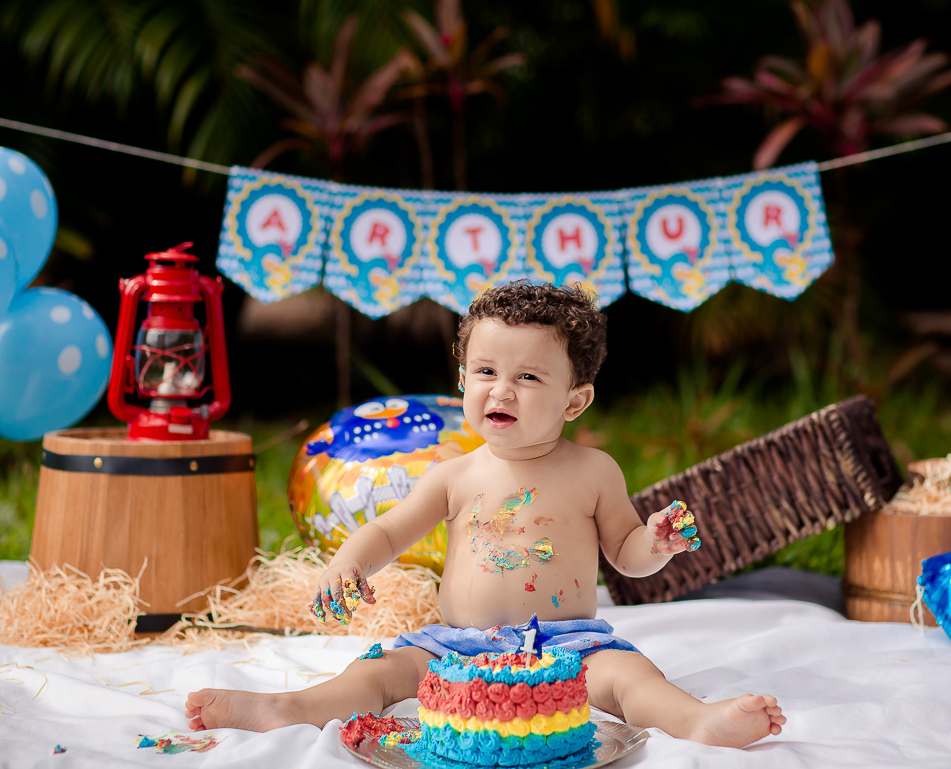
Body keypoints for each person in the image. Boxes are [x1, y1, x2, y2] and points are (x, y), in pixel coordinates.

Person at [185, 281, 785, 748]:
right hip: (454, 649)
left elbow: (625, 554)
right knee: (376, 675)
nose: (501, 391)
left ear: (574, 400)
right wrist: (348, 563)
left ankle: (699, 722)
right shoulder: (455, 474)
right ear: (463, 380)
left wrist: (654, 543)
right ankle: (284, 710)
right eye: (486, 372)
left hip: (566, 648)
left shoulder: (595, 472)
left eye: (528, 377)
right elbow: (389, 530)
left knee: (632, 677)